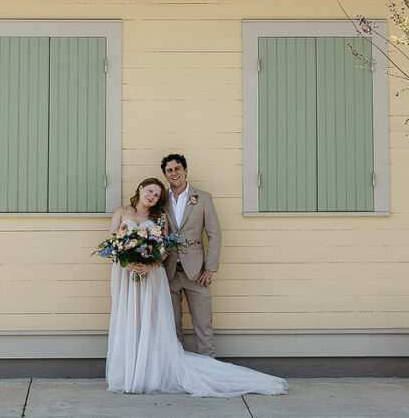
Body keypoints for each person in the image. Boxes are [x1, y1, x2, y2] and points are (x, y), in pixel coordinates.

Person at [105, 177, 286, 397]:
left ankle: (150, 371)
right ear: (141, 188)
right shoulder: (121, 212)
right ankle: (130, 372)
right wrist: (129, 262)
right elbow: (112, 244)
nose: (152, 197)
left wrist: (150, 264)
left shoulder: (160, 217)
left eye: (156, 196)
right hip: (127, 275)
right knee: (129, 319)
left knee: (151, 322)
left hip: (152, 277)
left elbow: (164, 249)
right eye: (150, 191)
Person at [160, 153, 220, 357]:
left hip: (197, 274)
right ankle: (178, 373)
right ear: (165, 175)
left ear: (185, 170)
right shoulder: (160, 200)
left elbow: (214, 234)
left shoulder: (203, 198)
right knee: (172, 330)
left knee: (203, 328)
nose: (174, 173)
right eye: (169, 170)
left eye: (177, 168)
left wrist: (210, 268)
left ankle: (209, 373)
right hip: (168, 273)